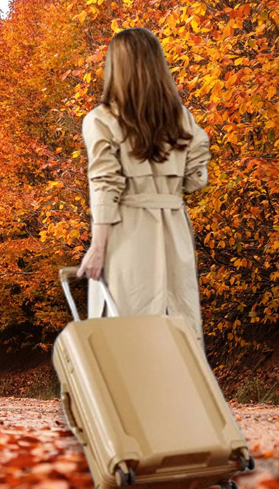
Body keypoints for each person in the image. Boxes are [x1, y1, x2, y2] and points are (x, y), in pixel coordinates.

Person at [75, 27, 210, 351]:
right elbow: (196, 179)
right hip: (173, 231)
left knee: (123, 332)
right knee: (179, 328)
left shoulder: (101, 120)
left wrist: (98, 246)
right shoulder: (182, 119)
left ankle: (125, 401)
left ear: (116, 68)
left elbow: (105, 184)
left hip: (127, 235)